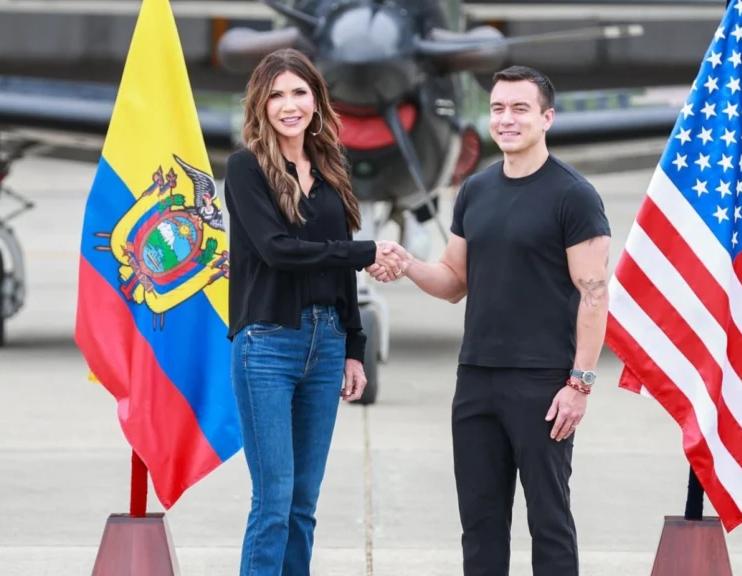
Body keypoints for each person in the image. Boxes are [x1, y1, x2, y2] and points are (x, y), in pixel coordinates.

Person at [368, 65, 612, 576]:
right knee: (479, 526)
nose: (506, 119)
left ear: (547, 118)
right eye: (498, 108)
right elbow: (453, 280)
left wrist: (579, 384)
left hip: (543, 383)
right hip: (476, 378)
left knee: (549, 521)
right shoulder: (475, 191)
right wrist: (408, 264)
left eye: (520, 108)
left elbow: (594, 294)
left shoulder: (574, 195)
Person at [223, 48, 404, 576]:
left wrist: (354, 347)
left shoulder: (330, 168)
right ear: (260, 105)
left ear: (317, 101)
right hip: (267, 345)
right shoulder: (246, 168)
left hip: (326, 346)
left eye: (299, 92)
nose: (289, 105)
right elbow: (278, 250)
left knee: (303, 504)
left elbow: (339, 266)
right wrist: (365, 252)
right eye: (276, 95)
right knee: (273, 502)